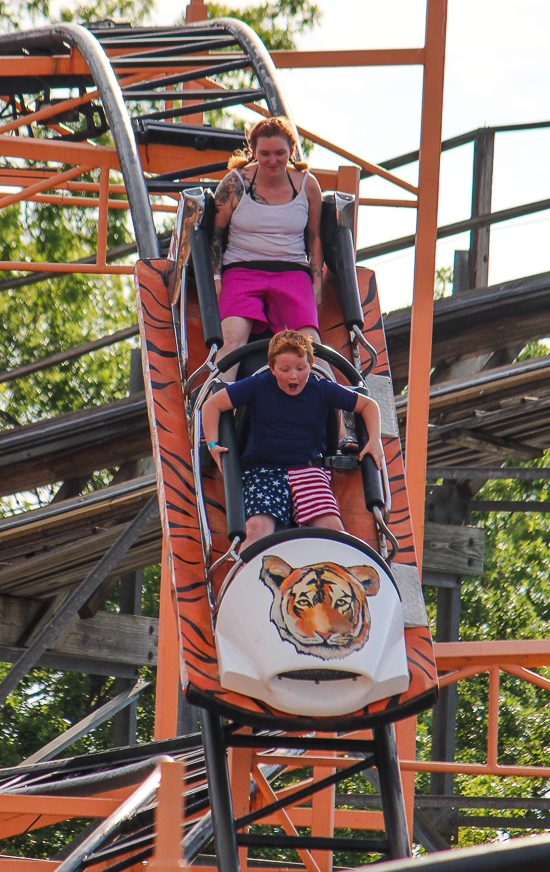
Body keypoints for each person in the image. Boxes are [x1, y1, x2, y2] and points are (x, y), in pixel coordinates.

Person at [201, 331, 384, 548]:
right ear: (272, 368)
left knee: (333, 529)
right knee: (257, 529)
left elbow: (368, 405)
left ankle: (333, 565)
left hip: (307, 469)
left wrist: (374, 440)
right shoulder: (259, 385)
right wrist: (213, 444)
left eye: (300, 368)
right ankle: (247, 566)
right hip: (264, 471)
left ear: (311, 365)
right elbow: (212, 405)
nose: (293, 377)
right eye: (285, 370)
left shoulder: (321, 388)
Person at [210, 116, 323, 382]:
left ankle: (331, 402)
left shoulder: (307, 184)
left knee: (309, 344)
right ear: (254, 152)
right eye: (265, 154)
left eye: (279, 153)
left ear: (291, 152)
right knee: (232, 339)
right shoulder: (235, 184)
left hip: (292, 272)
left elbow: (315, 236)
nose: (273, 160)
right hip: (242, 270)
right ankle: (214, 397)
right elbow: (214, 235)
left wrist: (317, 281)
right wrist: (215, 277)